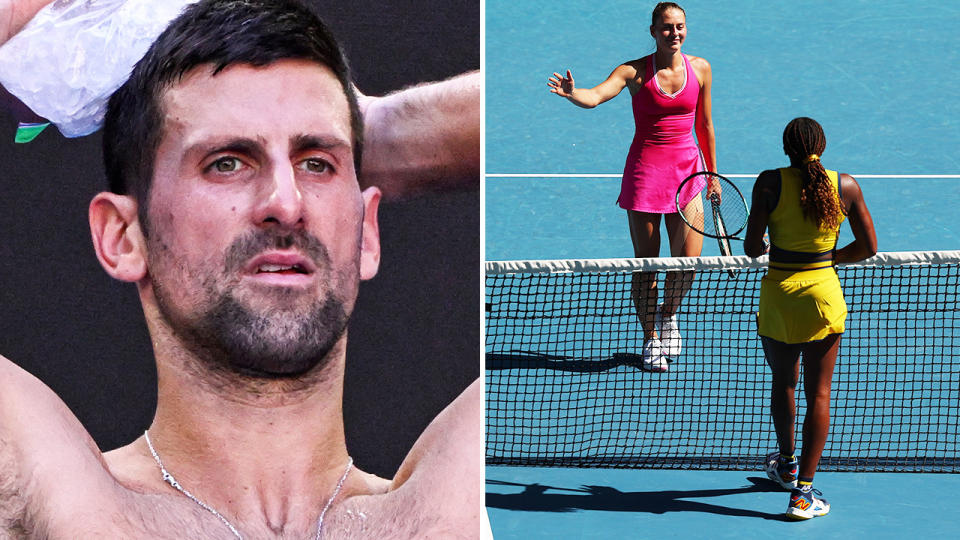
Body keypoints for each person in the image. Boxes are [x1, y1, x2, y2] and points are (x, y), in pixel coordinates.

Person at [0, 1, 481, 538]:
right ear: (123, 236)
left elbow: (592, 105)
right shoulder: (59, 500)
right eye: (227, 162)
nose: (286, 201)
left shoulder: (460, 506)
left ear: (366, 232)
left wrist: (386, 133)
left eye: (316, 163)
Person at [546, 1, 717, 372]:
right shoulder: (633, 72)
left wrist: (712, 174)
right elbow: (595, 96)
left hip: (689, 173)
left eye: (680, 26)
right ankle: (651, 339)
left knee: (688, 262)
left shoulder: (700, 68)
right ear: (653, 31)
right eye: (667, 27)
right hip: (647, 175)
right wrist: (574, 92)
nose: (675, 33)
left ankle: (668, 314)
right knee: (647, 264)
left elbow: (704, 125)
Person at [744, 117, 877, 520]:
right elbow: (868, 247)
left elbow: (752, 248)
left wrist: (769, 243)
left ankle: (786, 464)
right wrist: (828, 256)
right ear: (823, 145)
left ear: (786, 148)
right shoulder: (846, 185)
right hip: (822, 296)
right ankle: (802, 494)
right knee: (818, 394)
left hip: (780, 297)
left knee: (784, 381)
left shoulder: (769, 182)